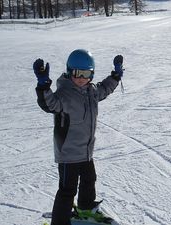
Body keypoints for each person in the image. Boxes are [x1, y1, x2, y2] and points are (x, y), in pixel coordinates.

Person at [33, 49, 124, 225]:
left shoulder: (92, 91)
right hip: (68, 154)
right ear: (69, 72)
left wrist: (116, 75)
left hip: (86, 152)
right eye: (77, 73)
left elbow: (105, 88)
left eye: (87, 73)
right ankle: (60, 222)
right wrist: (43, 85)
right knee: (67, 190)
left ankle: (86, 206)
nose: (82, 78)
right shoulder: (64, 95)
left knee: (90, 180)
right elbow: (48, 104)